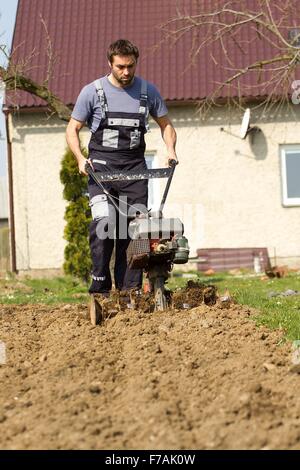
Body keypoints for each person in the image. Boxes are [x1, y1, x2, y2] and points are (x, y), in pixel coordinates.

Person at [66, 39, 177, 310]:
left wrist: (170, 150)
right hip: (101, 170)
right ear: (110, 64)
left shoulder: (148, 91)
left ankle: (130, 293)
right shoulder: (91, 92)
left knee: (134, 232)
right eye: (120, 67)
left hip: (134, 170)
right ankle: (100, 290)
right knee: (103, 226)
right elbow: (72, 129)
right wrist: (80, 158)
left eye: (130, 66)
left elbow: (166, 125)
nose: (126, 72)